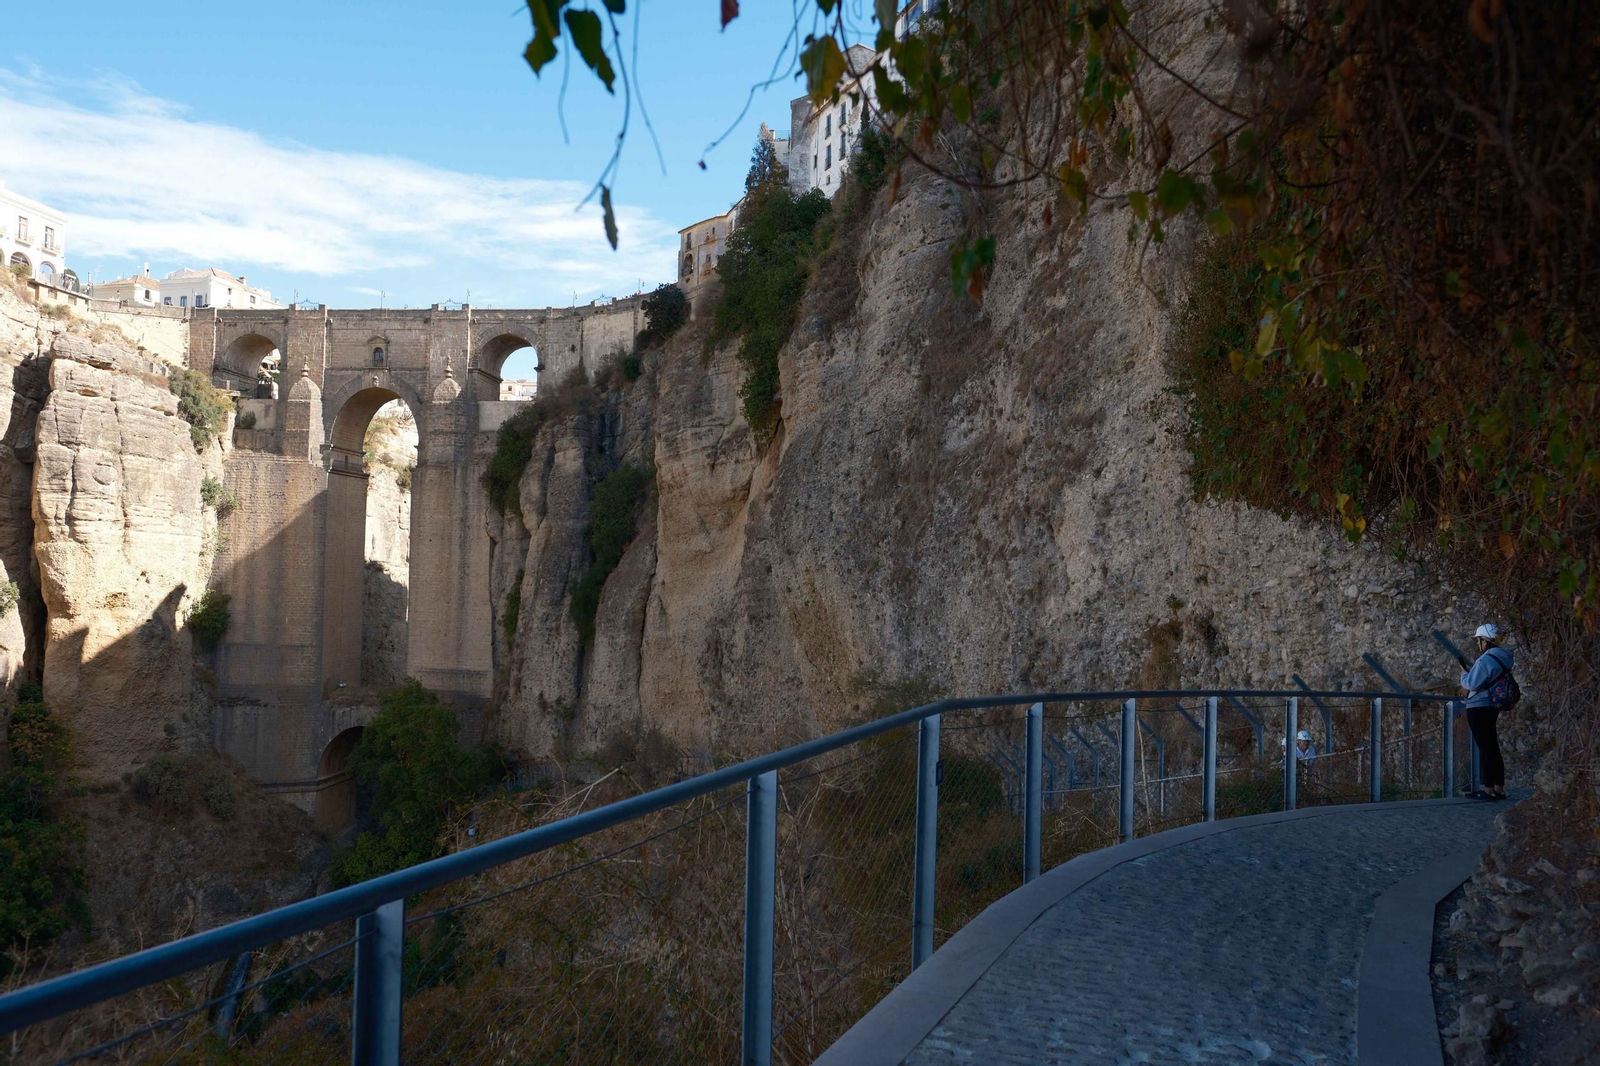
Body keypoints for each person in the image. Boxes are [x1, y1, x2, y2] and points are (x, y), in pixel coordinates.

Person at [1459, 623, 1512, 800]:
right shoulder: (1504, 657)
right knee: (1492, 746)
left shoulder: (1486, 659)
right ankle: (1499, 788)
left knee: (1485, 748)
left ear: (1485, 640)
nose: (1477, 644)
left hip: (1478, 706)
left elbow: (1471, 684)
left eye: (1478, 640)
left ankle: (1487, 790)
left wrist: (1464, 674)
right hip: (1492, 705)